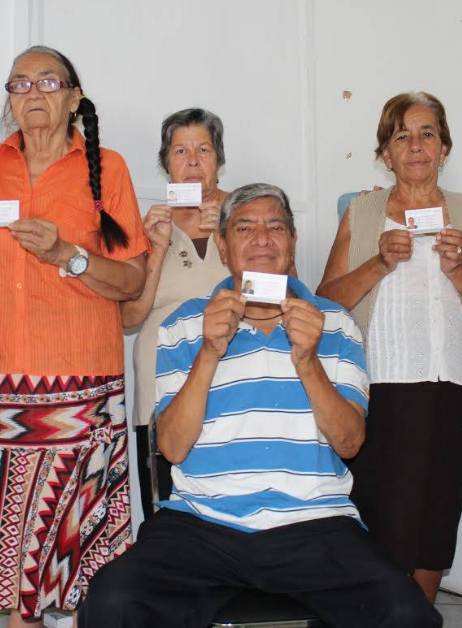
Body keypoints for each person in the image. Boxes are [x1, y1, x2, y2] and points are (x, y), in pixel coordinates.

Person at [80, 183, 442, 628]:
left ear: (292, 242)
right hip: (203, 521)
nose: (262, 239)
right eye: (244, 228)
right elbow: (172, 447)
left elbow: (349, 443)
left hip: (314, 522)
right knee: (113, 600)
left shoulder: (335, 323)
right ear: (222, 245)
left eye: (275, 227)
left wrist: (308, 361)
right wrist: (209, 351)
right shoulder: (185, 324)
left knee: (405, 612)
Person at [0, 46, 149, 627]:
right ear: (9, 98)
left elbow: (132, 279)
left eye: (48, 82)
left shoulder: (108, 168)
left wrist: (67, 255)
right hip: (2, 390)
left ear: (74, 98)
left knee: (84, 568)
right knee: (14, 573)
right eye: (20, 83)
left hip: (85, 397)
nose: (33, 92)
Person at [316, 92, 462, 603]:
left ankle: (419, 616)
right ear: (386, 155)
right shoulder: (363, 211)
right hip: (381, 391)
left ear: (444, 149)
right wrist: (378, 263)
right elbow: (326, 303)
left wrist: (461, 268)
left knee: (436, 521)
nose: (415, 146)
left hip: (453, 390)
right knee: (382, 522)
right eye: (401, 136)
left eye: (427, 134)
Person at [120, 108, 229, 517]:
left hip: (234, 383)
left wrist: (229, 239)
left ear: (219, 159)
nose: (193, 161)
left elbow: (283, 292)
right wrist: (157, 247)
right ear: (167, 163)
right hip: (160, 386)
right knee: (166, 513)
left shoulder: (248, 211)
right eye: (181, 151)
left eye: (204, 149)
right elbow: (129, 318)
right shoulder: (148, 223)